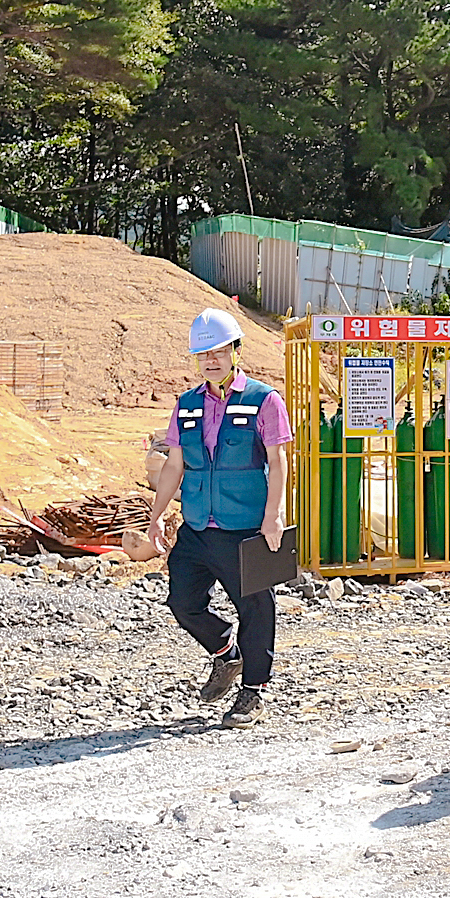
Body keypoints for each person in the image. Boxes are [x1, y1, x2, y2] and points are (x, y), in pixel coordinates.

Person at [148, 308, 293, 727]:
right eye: (202, 354)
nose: (211, 360)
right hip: (197, 525)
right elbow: (174, 464)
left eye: (218, 351)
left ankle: (253, 692)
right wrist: (157, 517)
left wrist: (273, 516)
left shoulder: (265, 399)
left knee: (256, 608)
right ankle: (226, 652)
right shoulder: (187, 404)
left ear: (235, 351)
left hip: (245, 525)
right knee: (182, 602)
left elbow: (277, 460)